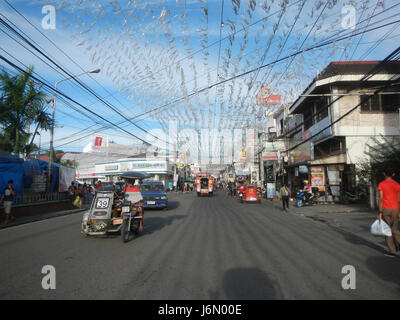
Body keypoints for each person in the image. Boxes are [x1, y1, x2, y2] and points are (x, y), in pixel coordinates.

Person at [377, 168, 400, 257]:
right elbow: (399, 200)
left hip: (386, 209)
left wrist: (380, 212)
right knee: (395, 229)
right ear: (393, 174)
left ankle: (392, 251)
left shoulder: (382, 184)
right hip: (395, 209)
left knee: (388, 230)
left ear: (384, 173)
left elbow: (381, 199)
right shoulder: (397, 185)